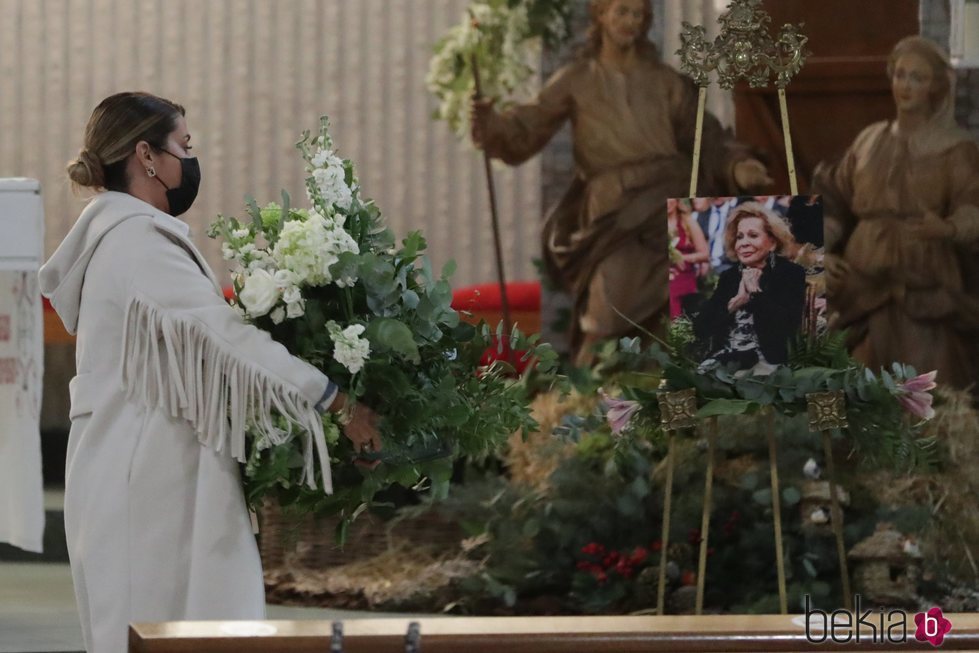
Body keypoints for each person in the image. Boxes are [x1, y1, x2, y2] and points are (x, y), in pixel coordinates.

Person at [38, 92, 382, 653]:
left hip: (141, 470)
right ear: (146, 156)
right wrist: (333, 400)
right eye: (184, 146)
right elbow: (227, 340)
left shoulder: (128, 235)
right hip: (141, 481)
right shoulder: (134, 241)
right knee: (165, 632)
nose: (190, 161)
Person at [470, 0, 771, 365]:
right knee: (606, 314)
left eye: (638, 14)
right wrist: (492, 126)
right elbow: (526, 128)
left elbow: (707, 140)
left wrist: (739, 165)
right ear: (600, 14)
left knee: (672, 317)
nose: (630, 22)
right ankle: (583, 407)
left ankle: (659, 406)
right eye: (621, 11)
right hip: (615, 213)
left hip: (669, 206)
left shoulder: (666, 82)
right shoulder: (576, 79)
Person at [812, 36, 979, 392]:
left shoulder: (956, 149)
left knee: (928, 390)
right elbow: (836, 203)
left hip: (925, 284)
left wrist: (948, 228)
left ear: (935, 86)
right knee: (859, 387)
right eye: (900, 75)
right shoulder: (869, 141)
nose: (905, 86)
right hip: (863, 285)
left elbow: (972, 207)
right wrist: (822, 253)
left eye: (917, 78)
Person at [694, 202, 807, 374]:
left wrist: (755, 294)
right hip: (725, 360)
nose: (743, 243)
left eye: (753, 235)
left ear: (773, 242)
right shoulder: (730, 276)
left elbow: (785, 330)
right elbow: (701, 328)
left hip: (769, 362)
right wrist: (734, 304)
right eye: (739, 237)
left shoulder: (790, 273)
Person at [668, 197, 709, 318]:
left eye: (671, 198)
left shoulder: (688, 221)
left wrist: (680, 258)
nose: (668, 202)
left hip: (685, 276)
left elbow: (704, 254)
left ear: (677, 200)